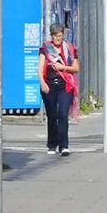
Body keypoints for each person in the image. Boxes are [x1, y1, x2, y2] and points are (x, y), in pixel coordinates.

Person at [38, 22, 79, 157]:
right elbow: (40, 68)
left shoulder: (69, 49)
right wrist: (42, 82)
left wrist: (63, 68)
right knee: (52, 116)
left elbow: (76, 68)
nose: (58, 39)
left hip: (65, 86)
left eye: (60, 36)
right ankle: (52, 143)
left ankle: (64, 145)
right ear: (51, 36)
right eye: (55, 36)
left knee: (62, 114)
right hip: (49, 85)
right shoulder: (46, 49)